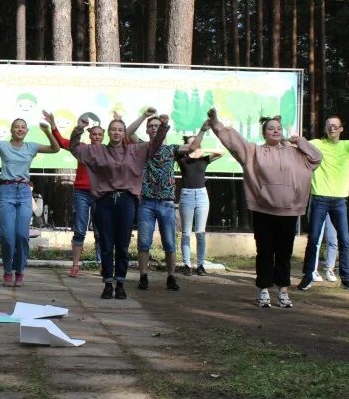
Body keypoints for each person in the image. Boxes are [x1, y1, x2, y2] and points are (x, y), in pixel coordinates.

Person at [207, 109, 322, 308]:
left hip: (289, 211)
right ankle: (263, 290)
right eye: (271, 128)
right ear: (264, 133)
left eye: (278, 128)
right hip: (263, 210)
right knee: (265, 252)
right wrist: (216, 123)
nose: (275, 131)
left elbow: (317, 158)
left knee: (284, 253)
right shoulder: (254, 152)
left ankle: (283, 292)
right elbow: (234, 141)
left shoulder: (296, 153)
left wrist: (299, 142)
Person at [68, 112, 169, 300]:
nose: (116, 133)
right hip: (104, 200)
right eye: (113, 129)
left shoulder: (136, 150)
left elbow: (155, 145)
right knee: (106, 243)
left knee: (123, 244)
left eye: (120, 130)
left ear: (124, 133)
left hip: (126, 201)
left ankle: (121, 283)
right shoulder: (96, 150)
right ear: (108, 132)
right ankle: (107, 283)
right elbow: (74, 148)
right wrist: (79, 128)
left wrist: (162, 126)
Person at [0, 113, 59, 287]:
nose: (20, 129)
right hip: (6, 191)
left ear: (26, 131)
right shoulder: (3, 146)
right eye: (16, 126)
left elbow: (55, 149)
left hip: (24, 191)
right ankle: (8, 270)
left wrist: (48, 131)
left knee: (22, 235)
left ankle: (20, 271)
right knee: (8, 237)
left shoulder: (31, 147)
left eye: (23, 127)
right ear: (11, 130)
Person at [298, 118, 349, 292]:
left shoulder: (346, 145)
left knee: (344, 240)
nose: (332, 127)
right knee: (313, 239)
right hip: (319, 198)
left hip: (339, 201)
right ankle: (307, 277)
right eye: (329, 125)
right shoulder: (316, 143)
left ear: (341, 129)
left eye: (335, 125)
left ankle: (346, 279)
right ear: (326, 128)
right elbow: (297, 144)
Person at [125, 109, 194, 292]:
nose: (154, 128)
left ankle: (171, 277)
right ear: (147, 130)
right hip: (147, 202)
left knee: (170, 243)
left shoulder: (172, 149)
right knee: (144, 242)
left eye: (157, 126)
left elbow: (193, 148)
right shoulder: (142, 148)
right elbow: (128, 133)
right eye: (151, 126)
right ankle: (143, 277)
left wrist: (202, 130)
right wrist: (143, 116)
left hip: (166, 203)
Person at [50, 113, 105, 278]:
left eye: (99, 134)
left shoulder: (108, 151)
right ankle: (75, 266)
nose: (96, 137)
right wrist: (53, 123)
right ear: (90, 135)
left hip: (100, 194)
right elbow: (61, 141)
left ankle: (102, 264)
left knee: (100, 231)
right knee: (79, 230)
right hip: (81, 192)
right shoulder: (81, 148)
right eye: (94, 134)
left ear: (103, 137)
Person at [175, 121, 222, 276]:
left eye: (197, 144)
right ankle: (187, 264)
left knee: (201, 232)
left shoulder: (204, 159)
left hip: (202, 195)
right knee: (186, 233)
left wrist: (202, 150)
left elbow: (221, 152)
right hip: (187, 195)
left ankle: (200, 265)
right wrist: (191, 150)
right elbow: (180, 151)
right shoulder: (183, 160)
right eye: (191, 144)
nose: (194, 146)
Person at [311, 214, 338, 282]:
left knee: (333, 241)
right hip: (319, 206)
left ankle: (330, 270)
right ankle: (313, 270)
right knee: (317, 241)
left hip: (333, 209)